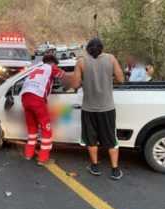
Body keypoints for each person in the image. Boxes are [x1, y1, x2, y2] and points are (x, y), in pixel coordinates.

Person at [71, 38, 125, 180]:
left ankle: (95, 166)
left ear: (88, 49)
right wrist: (108, 79)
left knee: (91, 139)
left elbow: (75, 85)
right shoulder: (111, 58)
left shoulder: (81, 61)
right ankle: (115, 169)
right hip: (107, 108)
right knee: (110, 139)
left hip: (89, 108)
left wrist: (84, 81)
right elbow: (121, 79)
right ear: (102, 48)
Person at [20, 54, 67, 166]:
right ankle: (43, 158)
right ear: (53, 63)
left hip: (25, 98)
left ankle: (28, 154)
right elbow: (65, 76)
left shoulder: (36, 68)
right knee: (46, 129)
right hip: (37, 98)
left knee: (32, 128)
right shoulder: (51, 67)